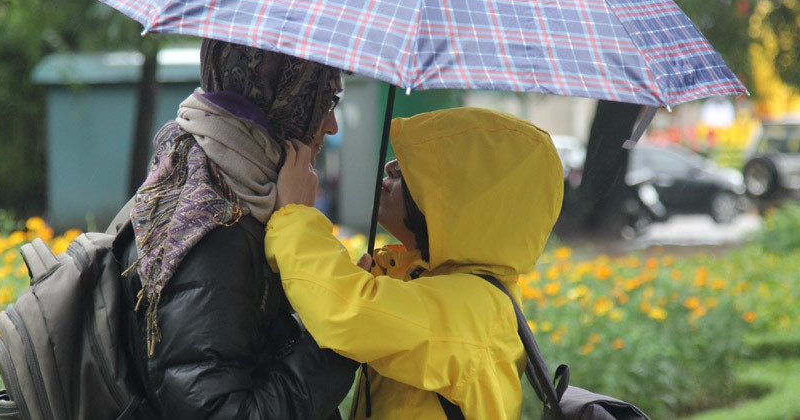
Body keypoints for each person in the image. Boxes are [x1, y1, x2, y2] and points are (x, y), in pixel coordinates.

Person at [267, 107, 564, 419]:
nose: (391, 166)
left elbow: (349, 313)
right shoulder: (438, 284)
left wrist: (293, 215)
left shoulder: (476, 307)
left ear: (467, 201)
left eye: (424, 168)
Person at [116, 39, 358, 419]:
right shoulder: (215, 229)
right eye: (324, 103)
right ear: (284, 101)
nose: (331, 125)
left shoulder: (204, 175)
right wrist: (340, 337)